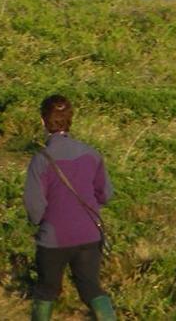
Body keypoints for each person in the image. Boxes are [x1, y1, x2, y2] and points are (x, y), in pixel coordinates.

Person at [24, 94, 115, 320]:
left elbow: (34, 206)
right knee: (91, 288)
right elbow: (106, 194)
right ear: (70, 119)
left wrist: (41, 223)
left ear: (43, 121)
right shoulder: (92, 153)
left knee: (47, 290)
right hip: (89, 234)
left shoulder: (41, 159)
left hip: (54, 238)